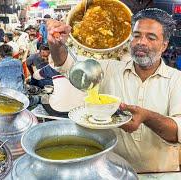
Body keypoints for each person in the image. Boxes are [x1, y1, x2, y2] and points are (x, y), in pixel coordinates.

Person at [47, 8, 181, 172]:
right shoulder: (110, 68)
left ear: (164, 45)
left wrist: (147, 117)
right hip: (111, 171)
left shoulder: (176, 80)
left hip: (159, 174)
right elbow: (66, 64)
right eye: (136, 35)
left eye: (151, 37)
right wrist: (56, 45)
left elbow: (177, 132)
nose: (141, 42)